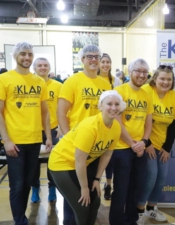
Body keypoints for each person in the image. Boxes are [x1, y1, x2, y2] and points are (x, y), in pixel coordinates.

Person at [0, 42, 53, 225]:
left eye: (30, 54)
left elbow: (45, 112)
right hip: (15, 141)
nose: (27, 57)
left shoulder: (39, 81)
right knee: (17, 185)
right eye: (23, 54)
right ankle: (20, 221)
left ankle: (22, 217)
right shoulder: (3, 79)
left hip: (34, 141)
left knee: (28, 182)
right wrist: (6, 140)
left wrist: (48, 136)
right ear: (15, 56)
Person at [49, 90, 125, 225]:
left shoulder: (116, 127)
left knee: (94, 203)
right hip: (61, 163)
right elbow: (80, 161)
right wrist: (84, 188)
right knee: (82, 206)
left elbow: (107, 154)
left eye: (117, 104)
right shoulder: (90, 127)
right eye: (109, 104)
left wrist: (96, 179)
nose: (113, 108)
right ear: (100, 106)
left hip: (81, 164)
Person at [57, 44, 111, 224]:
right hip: (77, 144)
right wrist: (67, 137)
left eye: (97, 56)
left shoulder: (105, 84)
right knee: (74, 192)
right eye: (89, 56)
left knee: (91, 188)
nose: (94, 59)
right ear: (82, 60)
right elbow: (61, 113)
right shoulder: (72, 81)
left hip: (96, 145)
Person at [109, 58, 153, 225]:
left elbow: (148, 123)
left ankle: (131, 221)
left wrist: (143, 142)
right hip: (121, 149)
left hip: (140, 149)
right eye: (138, 71)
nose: (142, 75)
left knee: (136, 190)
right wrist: (133, 144)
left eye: (145, 72)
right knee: (121, 190)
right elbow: (117, 122)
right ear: (130, 72)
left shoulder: (147, 95)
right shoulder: (119, 91)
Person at [137, 65, 175, 222]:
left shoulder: (174, 96)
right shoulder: (146, 91)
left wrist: (167, 148)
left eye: (169, 79)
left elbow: (174, 124)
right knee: (151, 176)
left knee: (162, 177)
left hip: (162, 145)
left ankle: (151, 208)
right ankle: (139, 210)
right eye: (162, 78)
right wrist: (146, 142)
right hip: (146, 143)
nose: (165, 82)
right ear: (155, 78)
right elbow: (140, 119)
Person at [30, 57, 63, 203]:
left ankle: (52, 188)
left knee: (53, 162)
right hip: (34, 130)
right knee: (34, 163)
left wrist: (62, 126)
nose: (42, 68)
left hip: (54, 129)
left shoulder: (58, 85)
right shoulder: (30, 84)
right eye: (39, 65)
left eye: (45, 65)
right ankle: (35, 188)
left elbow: (63, 108)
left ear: (49, 68)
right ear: (34, 68)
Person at [97, 53, 122, 200]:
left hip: (110, 123)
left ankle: (108, 184)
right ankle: (96, 183)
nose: (105, 64)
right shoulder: (95, 80)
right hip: (96, 123)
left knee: (109, 157)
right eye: (103, 62)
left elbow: (118, 103)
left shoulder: (116, 81)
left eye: (108, 62)